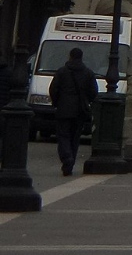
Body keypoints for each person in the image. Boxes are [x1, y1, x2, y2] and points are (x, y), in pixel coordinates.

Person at [48, 46, 99, 176]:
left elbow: (53, 89)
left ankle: (66, 158)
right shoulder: (88, 73)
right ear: (81, 57)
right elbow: (93, 91)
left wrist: (56, 102)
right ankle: (70, 163)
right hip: (80, 110)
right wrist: (86, 101)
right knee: (75, 137)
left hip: (64, 108)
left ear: (70, 56)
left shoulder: (62, 72)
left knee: (63, 135)